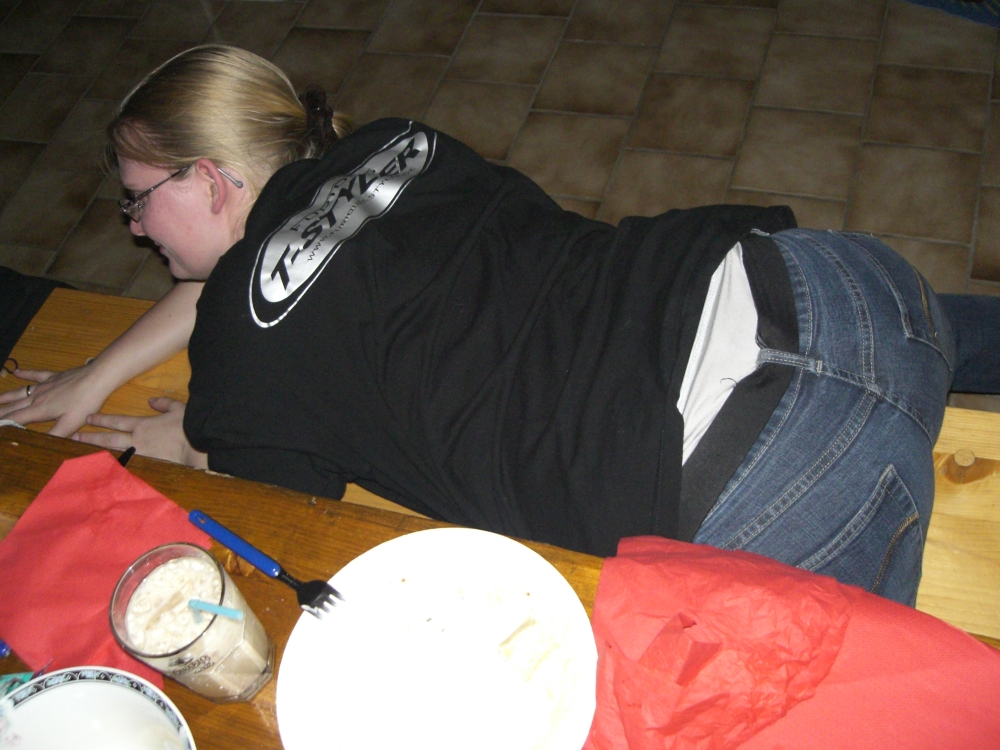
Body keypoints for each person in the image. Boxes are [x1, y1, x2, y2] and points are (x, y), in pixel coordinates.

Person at [1, 46, 997, 607]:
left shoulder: (242, 355)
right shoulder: (396, 142)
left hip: (776, 482)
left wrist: (195, 440)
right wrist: (97, 373)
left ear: (211, 180)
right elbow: (259, 277)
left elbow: (283, 525)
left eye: (138, 199)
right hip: (845, 288)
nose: (132, 227)